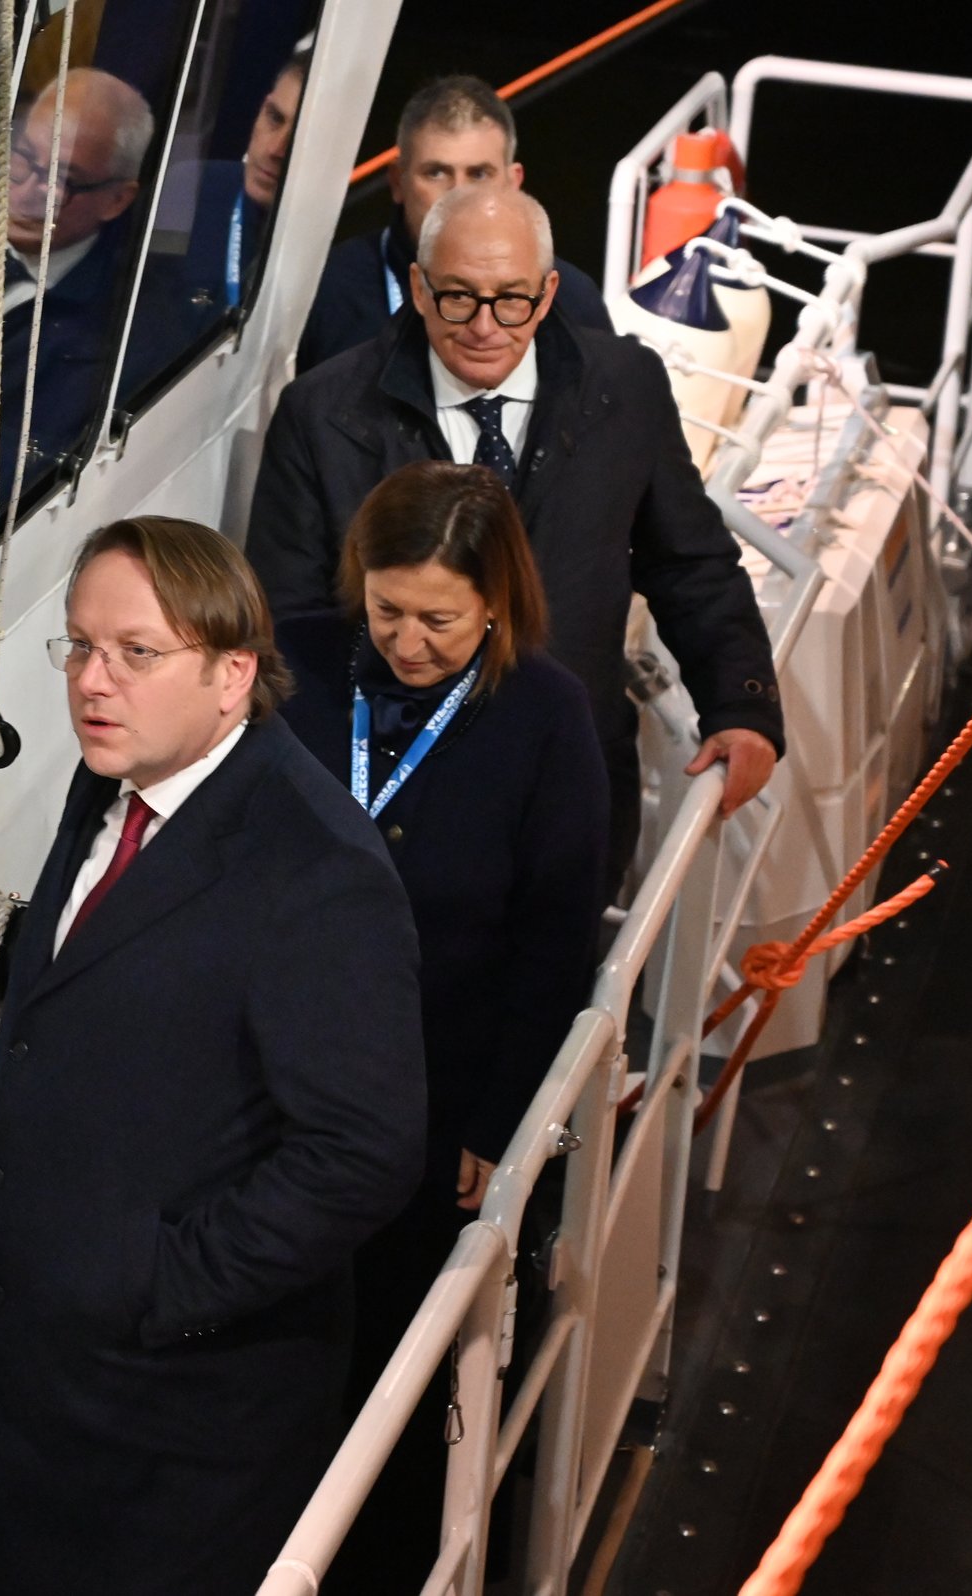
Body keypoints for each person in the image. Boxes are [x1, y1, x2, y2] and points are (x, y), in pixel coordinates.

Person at [0, 517, 427, 1596]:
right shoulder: (111, 781)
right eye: (79, 646)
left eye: (135, 652)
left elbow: (361, 1154)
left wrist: (155, 1286)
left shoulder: (318, 871)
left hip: (178, 1430)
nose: (92, 682)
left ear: (232, 673)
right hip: (41, 1395)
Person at [275, 461, 606, 1588]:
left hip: (435, 1099)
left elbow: (554, 942)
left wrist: (495, 1121)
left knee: (396, 1360)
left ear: (495, 605)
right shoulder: (292, 667)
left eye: (438, 622)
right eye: (386, 611)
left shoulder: (547, 717)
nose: (407, 644)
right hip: (282, 1085)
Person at [250, 185, 783, 880]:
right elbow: (290, 623)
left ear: (549, 291)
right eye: (458, 297)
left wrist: (741, 705)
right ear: (418, 287)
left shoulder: (628, 387)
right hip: (390, 805)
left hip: (575, 788)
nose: (484, 326)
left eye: (512, 300)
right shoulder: (320, 413)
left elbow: (691, 565)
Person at [0, 69, 157, 582]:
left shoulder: (126, 336)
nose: (25, 191)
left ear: (117, 199)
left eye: (60, 180)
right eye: (22, 159)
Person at [298, 73, 609, 373]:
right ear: (397, 181)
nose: (458, 194)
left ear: (514, 183)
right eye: (436, 173)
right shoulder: (327, 289)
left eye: (479, 174)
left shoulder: (571, 298)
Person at [177, 50, 307, 318]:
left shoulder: (340, 259)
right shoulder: (189, 187)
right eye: (275, 118)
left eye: (302, 136)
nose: (275, 150)